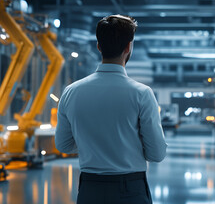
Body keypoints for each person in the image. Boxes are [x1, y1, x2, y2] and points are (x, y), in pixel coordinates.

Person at [55, 14, 167, 204]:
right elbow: (156, 154)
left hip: (90, 189)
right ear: (128, 47)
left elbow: (63, 145)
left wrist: (92, 145)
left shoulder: (71, 92)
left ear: (98, 46)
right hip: (130, 190)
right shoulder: (142, 94)